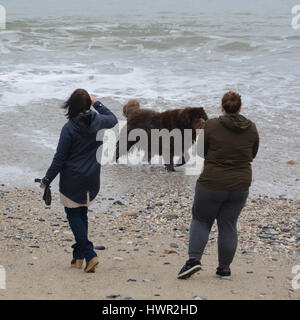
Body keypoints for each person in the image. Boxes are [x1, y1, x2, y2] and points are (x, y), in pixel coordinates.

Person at [178, 91, 259, 280]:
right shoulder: (251, 128)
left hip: (212, 183)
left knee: (201, 220)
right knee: (228, 224)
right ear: (240, 108)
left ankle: (193, 261)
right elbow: (252, 154)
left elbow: (200, 152)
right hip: (240, 184)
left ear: (222, 107)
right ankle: (224, 268)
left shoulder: (211, 125)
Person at [40, 89, 118, 273]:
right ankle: (78, 256)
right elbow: (113, 118)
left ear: (72, 105)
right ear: (87, 105)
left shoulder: (69, 128)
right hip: (92, 179)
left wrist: (47, 179)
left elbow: (59, 159)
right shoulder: (99, 121)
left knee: (74, 216)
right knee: (82, 214)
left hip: (72, 181)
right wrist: (96, 102)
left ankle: (90, 255)